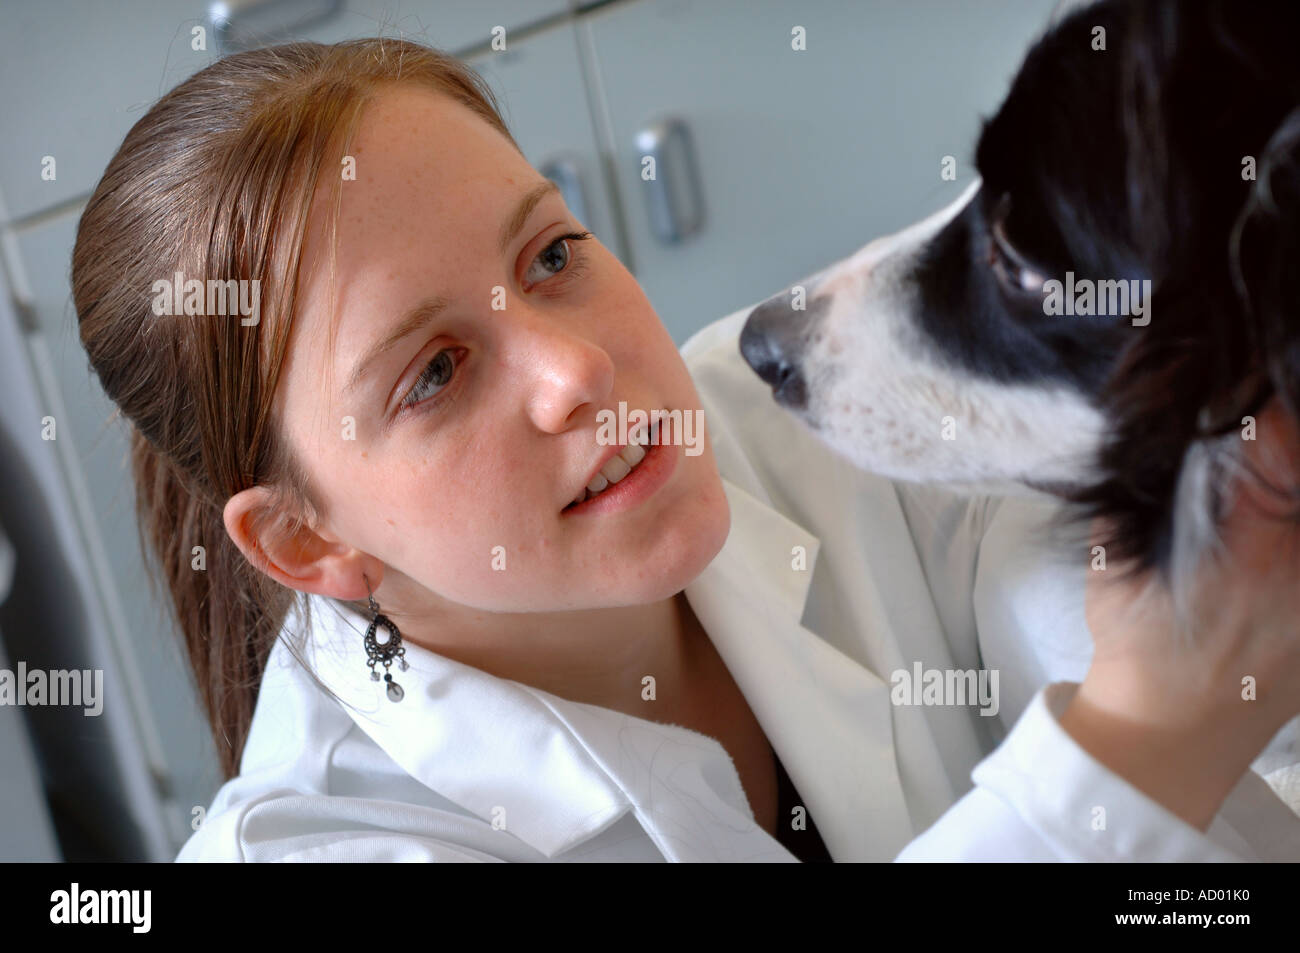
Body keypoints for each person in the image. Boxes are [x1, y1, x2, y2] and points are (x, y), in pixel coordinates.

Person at [70, 37, 1300, 862]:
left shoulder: (828, 424)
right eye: (434, 373)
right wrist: (1141, 736)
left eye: (549, 258)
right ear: (307, 536)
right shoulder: (327, 847)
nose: (578, 371)